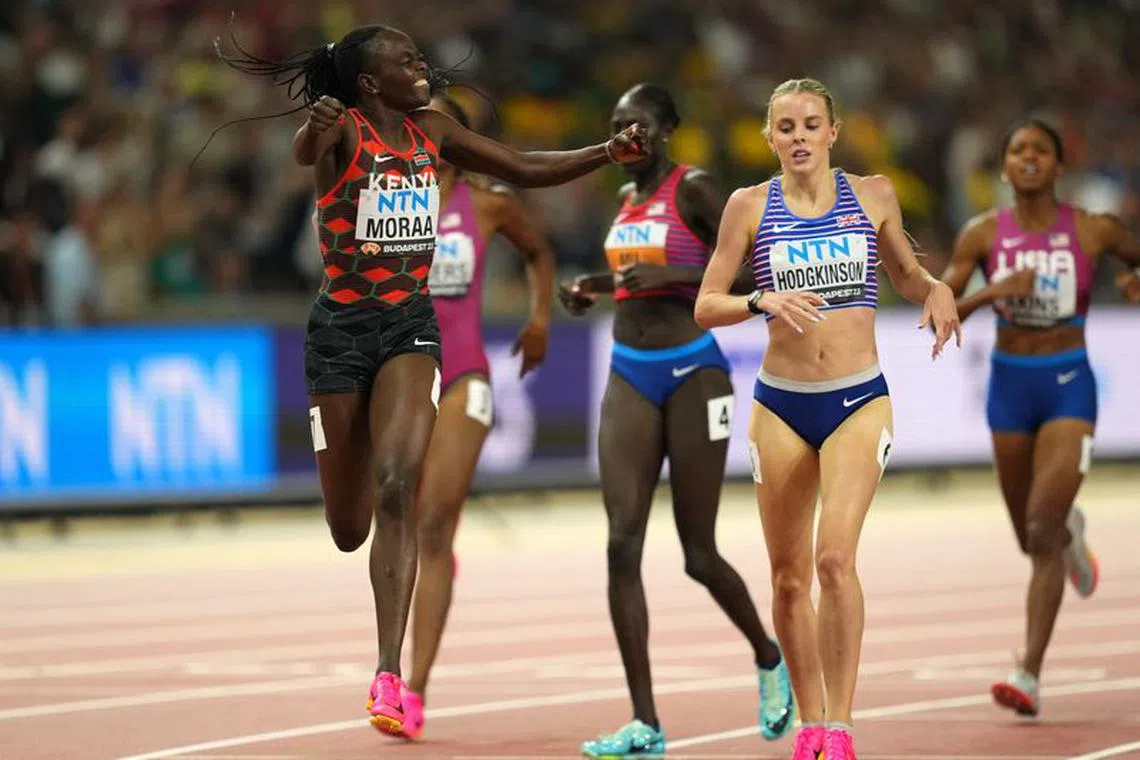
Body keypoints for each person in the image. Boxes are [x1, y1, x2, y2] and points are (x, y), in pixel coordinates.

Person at [219, 24, 646, 738]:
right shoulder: (342, 130)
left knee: (398, 485)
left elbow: (523, 167)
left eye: (420, 56)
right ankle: (367, 515)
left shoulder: (435, 132)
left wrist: (605, 152)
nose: (422, 66)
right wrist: (313, 128)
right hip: (340, 336)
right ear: (369, 82)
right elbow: (304, 154)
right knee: (349, 528)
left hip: (410, 327)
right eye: (406, 60)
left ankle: (389, 675)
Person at [694, 77, 960, 760]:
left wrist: (934, 288)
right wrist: (761, 302)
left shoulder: (872, 194)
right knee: (789, 579)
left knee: (835, 559)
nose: (800, 137)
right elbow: (707, 304)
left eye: (811, 124)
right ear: (769, 137)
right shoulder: (748, 206)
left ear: (833, 132)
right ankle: (809, 722)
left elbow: (904, 274)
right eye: (786, 127)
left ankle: (840, 724)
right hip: (780, 403)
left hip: (857, 398)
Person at [560, 83, 794, 760]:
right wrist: (592, 288)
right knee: (620, 544)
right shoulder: (626, 197)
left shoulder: (693, 189)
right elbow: (632, 277)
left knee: (698, 554)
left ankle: (768, 655)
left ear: (666, 131)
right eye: (615, 125)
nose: (624, 137)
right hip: (629, 371)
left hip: (695, 371)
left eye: (636, 126)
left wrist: (670, 275)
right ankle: (645, 722)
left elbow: (753, 272)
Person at [939, 117, 1140, 718]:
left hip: (1067, 386)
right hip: (1009, 390)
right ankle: (1072, 534)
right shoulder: (981, 233)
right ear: (1004, 167)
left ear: (1058, 165)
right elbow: (940, 311)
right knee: (1030, 538)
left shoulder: (1092, 228)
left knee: (1040, 527)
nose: (1028, 157)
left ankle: (1028, 671)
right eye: (1017, 150)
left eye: (1040, 150)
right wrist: (992, 293)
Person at [401, 93, 556, 738]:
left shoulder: (488, 204)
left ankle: (413, 690)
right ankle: (431, 572)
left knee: (434, 524)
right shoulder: (388, 201)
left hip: (464, 371)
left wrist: (539, 319)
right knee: (401, 521)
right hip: (401, 375)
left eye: (435, 125)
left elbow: (539, 253)